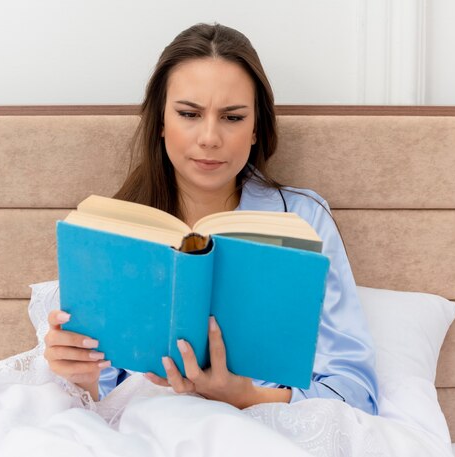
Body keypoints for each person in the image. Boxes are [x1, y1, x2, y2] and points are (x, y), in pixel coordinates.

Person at [44, 23, 379, 415]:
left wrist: (248, 398)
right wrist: (80, 375)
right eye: (189, 113)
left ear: (256, 129)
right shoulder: (117, 226)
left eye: (232, 118)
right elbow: (102, 391)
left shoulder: (302, 218)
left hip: (263, 423)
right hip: (144, 423)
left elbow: (356, 392)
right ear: (161, 123)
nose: (209, 137)